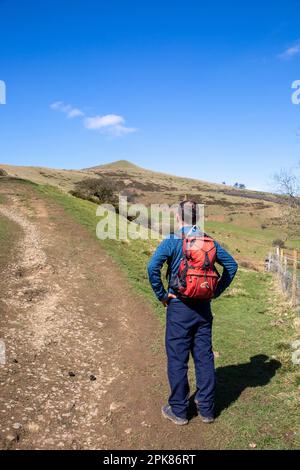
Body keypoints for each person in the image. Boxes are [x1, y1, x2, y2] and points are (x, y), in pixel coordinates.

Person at [147, 200, 238, 425]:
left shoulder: (172, 240)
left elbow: (152, 268)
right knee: (204, 356)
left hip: (178, 307)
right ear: (197, 218)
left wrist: (161, 295)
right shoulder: (208, 241)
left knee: (178, 358)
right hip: (203, 309)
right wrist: (214, 291)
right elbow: (232, 266)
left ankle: (179, 410)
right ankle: (206, 409)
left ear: (178, 217)